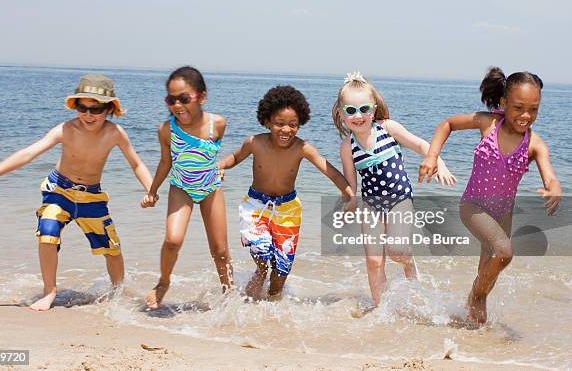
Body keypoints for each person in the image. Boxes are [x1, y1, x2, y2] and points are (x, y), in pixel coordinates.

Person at [0, 73, 153, 311]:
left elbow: (137, 164)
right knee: (47, 229)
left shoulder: (114, 133)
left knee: (111, 248)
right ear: (75, 106)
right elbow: (29, 153)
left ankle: (118, 291)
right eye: (82, 107)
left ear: (109, 109)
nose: (88, 115)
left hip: (92, 196)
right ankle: (49, 292)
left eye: (95, 110)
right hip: (60, 190)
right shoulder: (66, 129)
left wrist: (151, 190)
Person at [419, 67, 561, 326]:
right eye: (518, 107)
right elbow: (447, 124)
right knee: (504, 252)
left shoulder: (535, 143)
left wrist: (554, 187)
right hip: (473, 206)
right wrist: (432, 156)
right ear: (504, 102)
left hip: (503, 213)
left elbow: (549, 174)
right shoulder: (488, 123)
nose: (526, 115)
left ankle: (469, 319)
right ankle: (477, 296)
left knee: (490, 268)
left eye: (533, 109)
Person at [218, 85, 355, 300]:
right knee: (263, 257)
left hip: (288, 209)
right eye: (279, 124)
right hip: (256, 206)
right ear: (267, 121)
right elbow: (234, 157)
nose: (286, 130)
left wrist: (349, 193)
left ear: (300, 124)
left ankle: (272, 307)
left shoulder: (302, 148)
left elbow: (328, 170)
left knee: (281, 270)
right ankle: (250, 298)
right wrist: (221, 166)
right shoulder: (255, 143)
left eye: (293, 125)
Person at [333, 71, 456, 306]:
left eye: (364, 109)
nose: (358, 116)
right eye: (350, 111)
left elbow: (420, 144)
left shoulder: (388, 128)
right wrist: (349, 203)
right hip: (371, 205)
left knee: (397, 251)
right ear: (341, 113)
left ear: (374, 108)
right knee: (374, 261)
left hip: (400, 199)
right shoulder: (347, 147)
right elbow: (351, 184)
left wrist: (438, 162)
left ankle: (409, 263)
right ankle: (381, 308)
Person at [142, 66, 233, 309]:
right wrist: (152, 191)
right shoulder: (166, 130)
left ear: (201, 97)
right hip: (181, 187)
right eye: (171, 100)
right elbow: (165, 161)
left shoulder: (218, 125)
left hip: (210, 189)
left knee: (220, 251)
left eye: (184, 98)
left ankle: (230, 295)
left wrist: (219, 168)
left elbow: (210, 155)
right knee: (173, 240)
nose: (177, 105)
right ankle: (163, 282)